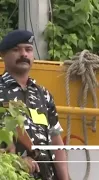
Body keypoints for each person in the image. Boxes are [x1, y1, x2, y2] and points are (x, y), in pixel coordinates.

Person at [0, 29, 69, 180]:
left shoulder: (43, 94)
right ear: (3, 55)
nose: (24, 54)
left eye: (28, 49)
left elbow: (56, 141)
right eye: (16, 50)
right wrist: (15, 162)